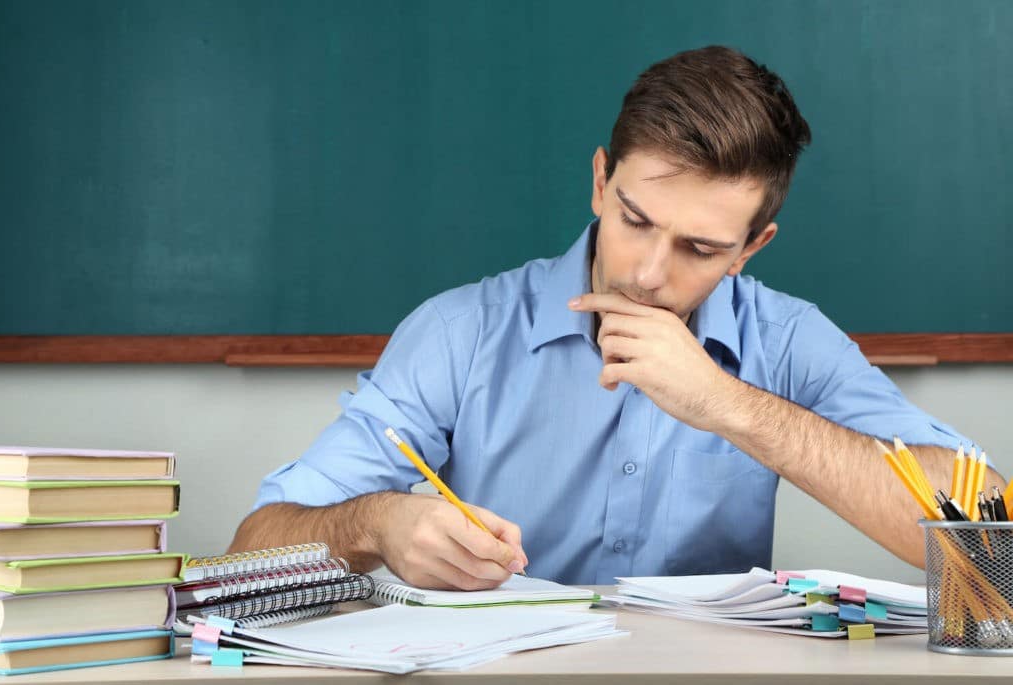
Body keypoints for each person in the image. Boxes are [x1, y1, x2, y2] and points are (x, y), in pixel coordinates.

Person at [229, 46, 1004, 588]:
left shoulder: (790, 340)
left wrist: (727, 404)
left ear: (751, 247)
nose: (647, 272)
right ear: (601, 181)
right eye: (634, 218)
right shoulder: (459, 334)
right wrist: (377, 524)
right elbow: (250, 549)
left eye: (700, 246)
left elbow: (993, 548)